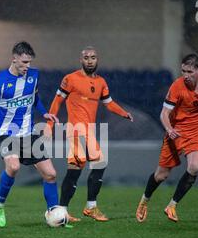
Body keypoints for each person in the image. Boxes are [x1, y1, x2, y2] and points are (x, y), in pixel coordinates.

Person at [136, 54, 198, 223]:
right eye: (183, 71)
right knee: (161, 175)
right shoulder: (177, 86)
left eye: (189, 71)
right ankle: (144, 201)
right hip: (176, 133)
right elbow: (164, 113)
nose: (186, 75)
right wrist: (169, 128)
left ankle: (172, 205)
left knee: (194, 167)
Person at [46, 46, 133, 222]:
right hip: (76, 129)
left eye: (93, 57)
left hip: (89, 131)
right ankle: (87, 207)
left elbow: (108, 103)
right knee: (98, 163)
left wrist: (124, 113)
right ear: (81, 60)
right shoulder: (70, 79)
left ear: (97, 59)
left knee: (77, 169)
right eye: (86, 57)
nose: (90, 60)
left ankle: (66, 210)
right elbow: (57, 101)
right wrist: (49, 124)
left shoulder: (101, 82)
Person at [0, 41, 59, 228]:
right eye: (24, 62)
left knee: (50, 174)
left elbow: (35, 98)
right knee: (14, 166)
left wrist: (44, 112)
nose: (27, 66)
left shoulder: (33, 76)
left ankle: (54, 212)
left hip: (28, 133)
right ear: (14, 59)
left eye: (29, 62)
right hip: (6, 133)